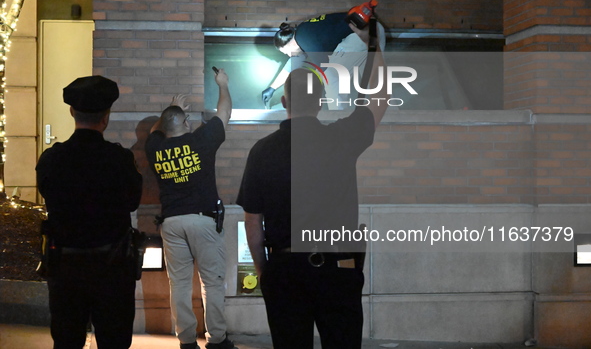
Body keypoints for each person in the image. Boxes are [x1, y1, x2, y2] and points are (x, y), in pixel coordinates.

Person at [237, 21, 388, 348]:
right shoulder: (341, 136)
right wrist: (375, 48)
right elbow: (380, 100)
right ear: (321, 101)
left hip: (285, 268)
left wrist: (266, 272)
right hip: (338, 268)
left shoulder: (261, 151)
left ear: (284, 102)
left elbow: (252, 222)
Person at [36, 75, 143, 349]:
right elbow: (133, 201)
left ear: (72, 111)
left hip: (65, 267)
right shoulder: (119, 160)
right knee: (114, 340)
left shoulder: (52, 159)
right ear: (106, 117)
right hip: (113, 267)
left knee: (67, 340)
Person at [144, 68, 236, 349]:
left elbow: (154, 131)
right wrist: (222, 85)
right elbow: (224, 113)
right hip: (203, 221)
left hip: (171, 223)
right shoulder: (200, 141)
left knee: (180, 285)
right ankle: (217, 339)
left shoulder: (155, 147)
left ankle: (186, 341)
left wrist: (171, 112)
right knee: (212, 283)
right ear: (185, 122)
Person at [261, 8, 386, 109]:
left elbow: (327, 72)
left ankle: (336, 116)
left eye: (286, 52)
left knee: (332, 76)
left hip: (360, 34)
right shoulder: (305, 34)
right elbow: (295, 62)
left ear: (289, 43)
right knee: (371, 77)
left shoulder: (304, 38)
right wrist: (272, 87)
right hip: (375, 30)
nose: (289, 55)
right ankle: (385, 113)